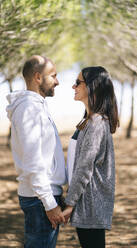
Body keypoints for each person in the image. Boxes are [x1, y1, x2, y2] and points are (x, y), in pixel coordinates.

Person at [6, 55, 67, 248]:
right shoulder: (28, 110)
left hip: (43, 196)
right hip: (40, 199)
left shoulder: (37, 106)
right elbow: (33, 163)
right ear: (38, 77)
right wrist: (49, 203)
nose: (57, 82)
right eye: (53, 76)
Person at [63, 66, 119, 248]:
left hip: (91, 204)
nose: (73, 86)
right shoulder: (88, 120)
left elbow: (84, 167)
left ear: (92, 86)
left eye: (78, 82)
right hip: (86, 202)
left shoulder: (96, 124)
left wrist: (70, 204)